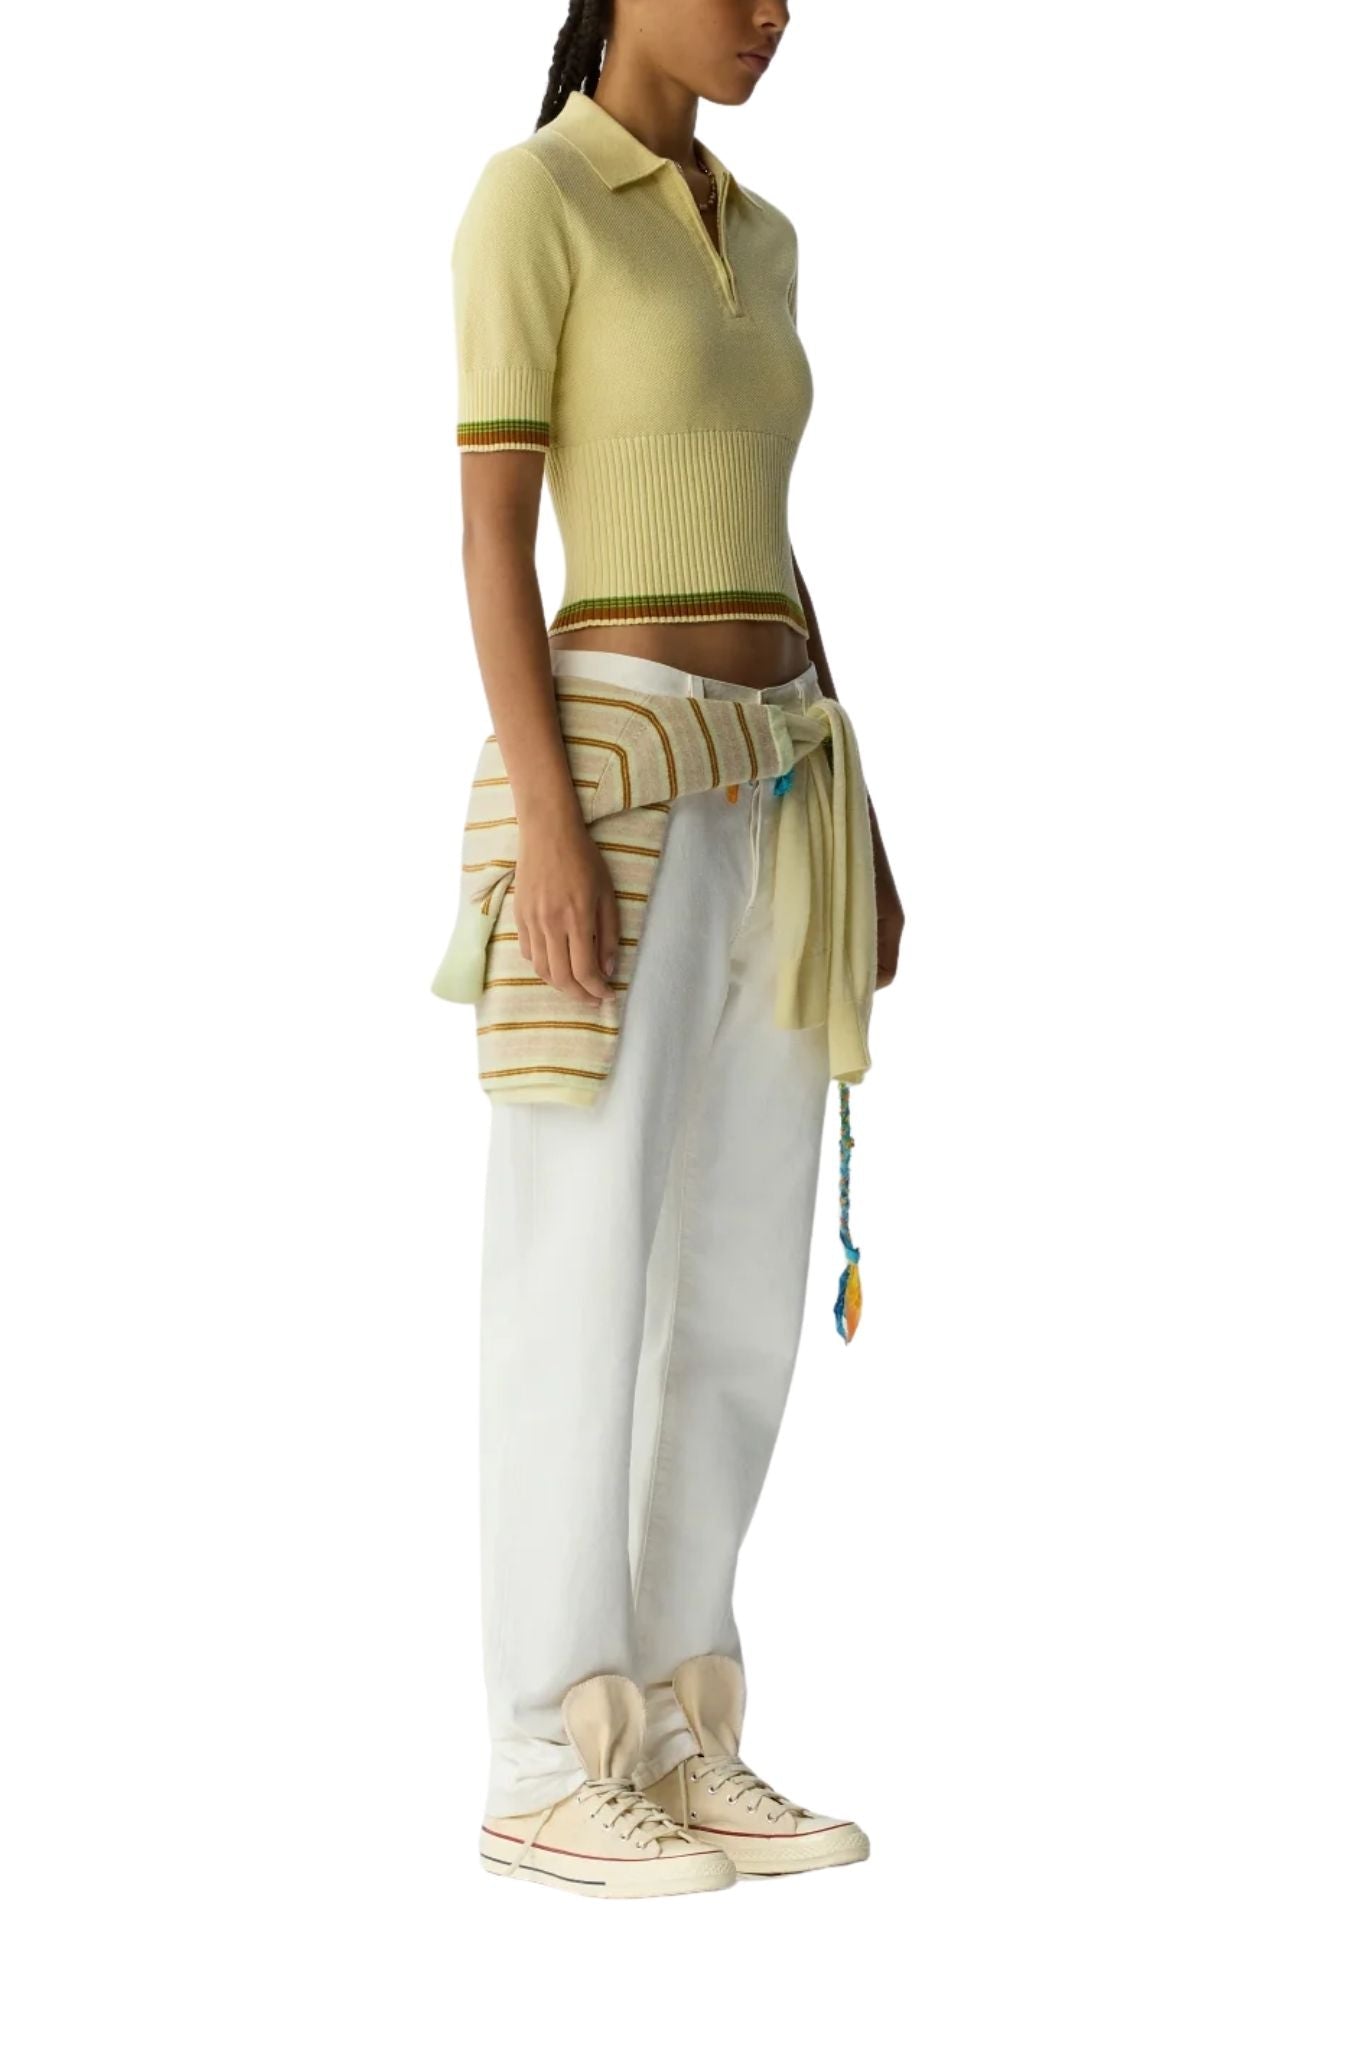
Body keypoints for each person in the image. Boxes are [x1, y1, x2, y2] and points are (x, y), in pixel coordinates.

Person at [433, 0, 904, 1900]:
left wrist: (867, 818)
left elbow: (771, 547)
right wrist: (547, 820)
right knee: (580, 1266)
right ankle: (542, 1754)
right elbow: (491, 535)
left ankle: (674, 1726)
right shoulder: (533, 196)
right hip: (617, 778)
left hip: (780, 777)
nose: (775, 13)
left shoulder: (759, 230)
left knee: (732, 1279)